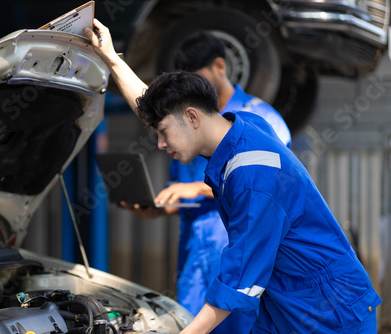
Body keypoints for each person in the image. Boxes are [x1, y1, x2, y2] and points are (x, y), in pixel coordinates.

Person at [84, 21, 382, 333]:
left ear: (192, 117)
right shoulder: (239, 127)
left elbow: (237, 285)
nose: (160, 144)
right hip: (286, 306)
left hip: (329, 315)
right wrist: (111, 58)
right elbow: (159, 111)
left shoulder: (255, 178)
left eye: (162, 133)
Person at [85, 22, 289, 333]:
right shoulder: (190, 130)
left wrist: (192, 187)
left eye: (164, 133)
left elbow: (262, 189)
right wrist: (161, 205)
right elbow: (152, 111)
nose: (161, 143)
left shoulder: (258, 125)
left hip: (240, 255)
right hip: (197, 253)